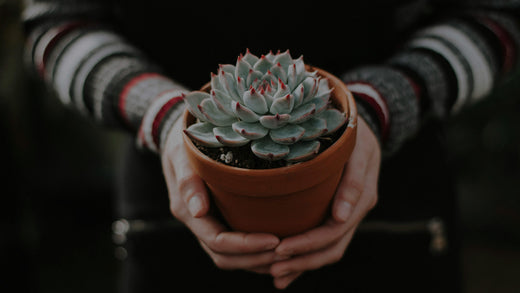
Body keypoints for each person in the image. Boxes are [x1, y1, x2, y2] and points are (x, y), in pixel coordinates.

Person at [23, 0, 520, 292]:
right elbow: (56, 26)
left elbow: (493, 16)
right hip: (170, 228)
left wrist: (375, 107)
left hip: (399, 223)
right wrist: (165, 115)